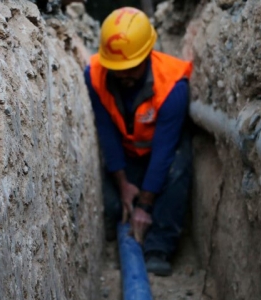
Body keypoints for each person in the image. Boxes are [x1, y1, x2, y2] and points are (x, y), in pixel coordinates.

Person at [83, 7, 193, 276]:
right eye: (116, 69)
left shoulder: (173, 86)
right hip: (128, 155)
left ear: (147, 55)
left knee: (177, 170)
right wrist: (123, 185)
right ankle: (122, 223)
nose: (123, 76)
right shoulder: (95, 76)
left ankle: (159, 246)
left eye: (130, 68)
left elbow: (164, 151)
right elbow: (107, 132)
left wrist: (144, 205)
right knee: (112, 207)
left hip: (162, 155)